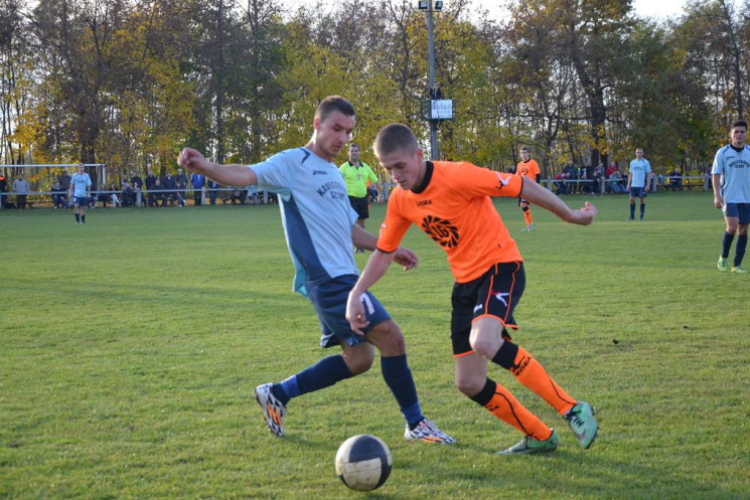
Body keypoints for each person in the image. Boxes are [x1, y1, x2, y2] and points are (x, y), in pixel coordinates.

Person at [177, 96, 454, 444]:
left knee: (359, 358)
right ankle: (416, 423)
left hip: (345, 276)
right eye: (336, 128)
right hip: (328, 279)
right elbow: (246, 174)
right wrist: (207, 167)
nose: (342, 138)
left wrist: (389, 249)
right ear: (317, 124)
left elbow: (350, 230)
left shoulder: (334, 174)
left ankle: (278, 392)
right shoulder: (294, 162)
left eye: (349, 132)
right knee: (392, 339)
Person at [346, 123, 600, 455]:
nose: (395, 175)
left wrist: (570, 216)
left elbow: (522, 185)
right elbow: (384, 251)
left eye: (400, 166)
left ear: (418, 155)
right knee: (468, 382)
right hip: (465, 284)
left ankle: (572, 408)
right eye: (387, 168)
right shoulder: (400, 201)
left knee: (484, 341)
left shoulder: (458, 175)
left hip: (500, 265)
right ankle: (539, 435)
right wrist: (356, 293)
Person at [713, 120, 750, 274]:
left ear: (746, 134)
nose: (739, 134)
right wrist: (717, 195)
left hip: (747, 198)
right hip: (729, 197)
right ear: (731, 134)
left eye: (742, 132)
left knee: (743, 229)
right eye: (736, 132)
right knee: (732, 227)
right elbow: (715, 174)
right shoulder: (723, 152)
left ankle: (737, 265)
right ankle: (723, 256)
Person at [339, 144, 380, 253]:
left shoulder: (365, 167)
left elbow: (375, 181)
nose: (354, 152)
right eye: (352, 151)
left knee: (361, 223)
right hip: (349, 198)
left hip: (362, 198)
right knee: (351, 223)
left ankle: (360, 247)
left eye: (356, 151)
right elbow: (336, 180)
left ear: (359, 152)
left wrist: (380, 194)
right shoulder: (344, 167)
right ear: (348, 153)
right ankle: (351, 246)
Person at [515, 147, 541, 231]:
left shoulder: (533, 163)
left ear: (528, 153)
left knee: (523, 205)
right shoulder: (519, 165)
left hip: (529, 187)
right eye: (522, 153)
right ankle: (529, 225)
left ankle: (530, 225)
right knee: (522, 206)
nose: (523, 155)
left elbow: (538, 175)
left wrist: (536, 187)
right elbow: (517, 176)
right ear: (520, 154)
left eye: (525, 153)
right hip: (521, 187)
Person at [627, 148, 653, 220]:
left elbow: (649, 174)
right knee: (631, 199)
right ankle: (632, 216)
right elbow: (630, 174)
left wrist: (648, 184)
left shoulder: (645, 162)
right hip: (633, 185)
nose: (639, 154)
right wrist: (628, 184)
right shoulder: (632, 162)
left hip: (642, 185)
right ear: (635, 153)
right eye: (637, 152)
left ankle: (641, 216)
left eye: (640, 152)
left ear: (642, 153)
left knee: (642, 200)